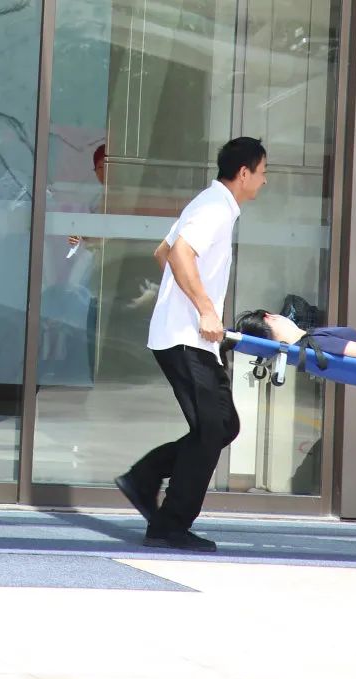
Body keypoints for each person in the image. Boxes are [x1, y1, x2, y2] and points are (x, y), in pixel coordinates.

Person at [114, 137, 268, 552]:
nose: (264, 180)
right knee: (211, 430)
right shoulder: (215, 207)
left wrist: (180, 300)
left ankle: (145, 477)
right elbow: (179, 254)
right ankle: (169, 524)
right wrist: (204, 309)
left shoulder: (209, 203)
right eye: (262, 172)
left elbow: (162, 252)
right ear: (244, 173)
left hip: (186, 336)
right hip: (186, 338)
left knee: (222, 426)